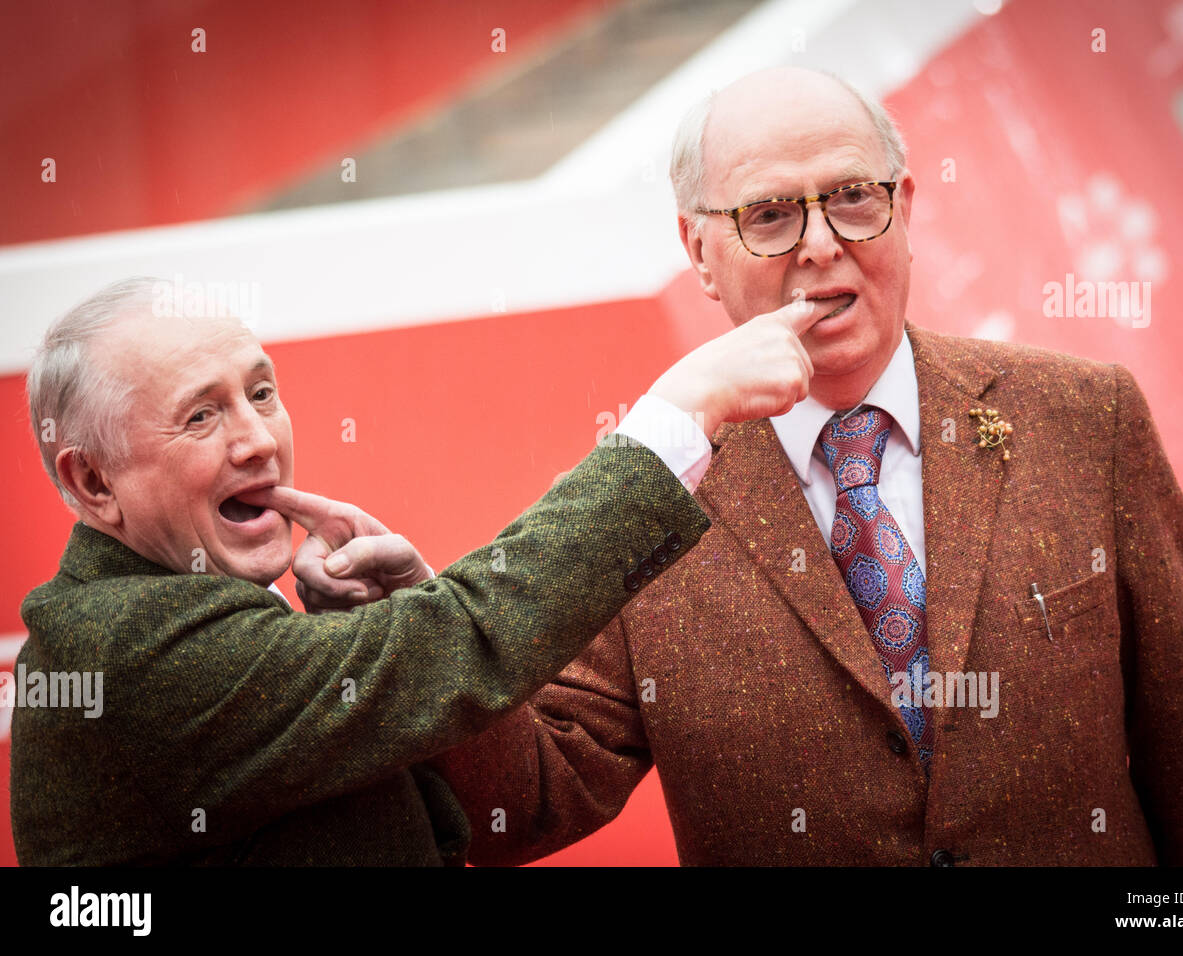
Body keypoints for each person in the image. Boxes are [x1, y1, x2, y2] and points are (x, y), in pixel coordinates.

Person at [407, 67, 1183, 865]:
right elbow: (531, 802)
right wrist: (409, 622)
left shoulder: (1087, 420)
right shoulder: (646, 503)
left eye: (855, 197)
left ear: (907, 206)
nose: (822, 243)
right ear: (699, 251)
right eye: (771, 214)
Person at [9, 275, 819, 865]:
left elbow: (510, 807)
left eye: (261, 392)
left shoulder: (178, 613)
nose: (257, 437)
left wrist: (377, 625)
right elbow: (462, 639)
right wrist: (675, 417)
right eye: (200, 415)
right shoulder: (124, 646)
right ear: (93, 482)